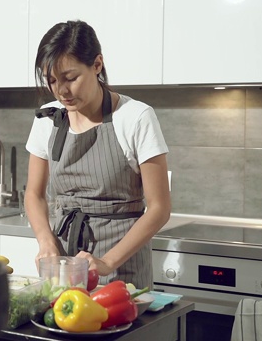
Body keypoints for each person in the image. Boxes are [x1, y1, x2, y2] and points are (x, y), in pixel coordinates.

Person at [24, 20, 171, 288]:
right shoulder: (48, 119)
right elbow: (33, 194)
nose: (62, 91)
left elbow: (159, 208)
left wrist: (107, 262)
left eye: (70, 78)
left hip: (121, 270)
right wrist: (46, 241)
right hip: (64, 266)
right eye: (52, 80)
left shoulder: (135, 117)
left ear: (97, 65)